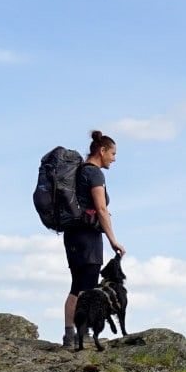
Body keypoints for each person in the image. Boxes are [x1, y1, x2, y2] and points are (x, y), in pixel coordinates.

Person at [63, 130, 126, 348]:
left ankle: (69, 335)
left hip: (72, 235)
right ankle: (83, 336)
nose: (114, 159)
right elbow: (101, 208)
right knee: (88, 288)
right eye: (113, 154)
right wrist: (112, 240)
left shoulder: (79, 172)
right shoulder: (95, 174)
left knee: (76, 286)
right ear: (102, 150)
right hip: (88, 237)